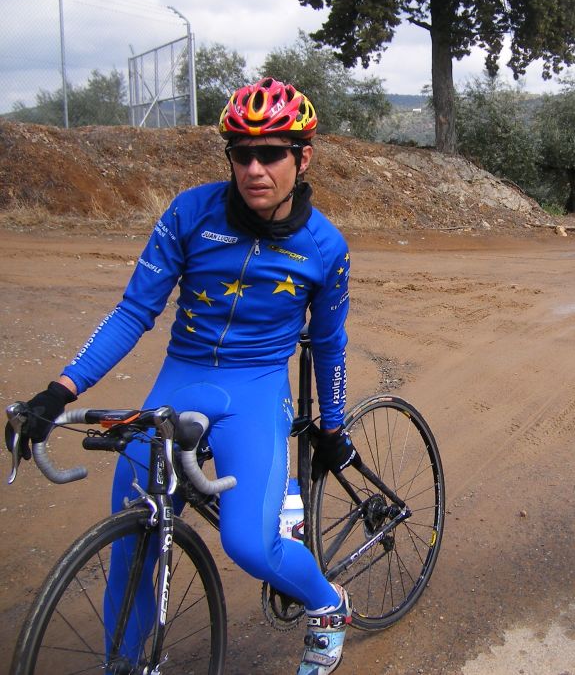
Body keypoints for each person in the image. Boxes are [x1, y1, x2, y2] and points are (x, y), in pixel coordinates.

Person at [5, 77, 356, 674]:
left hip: (256, 387)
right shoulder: (190, 213)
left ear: (303, 157)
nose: (254, 169)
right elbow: (133, 311)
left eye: (271, 153)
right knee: (133, 543)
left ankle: (328, 603)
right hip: (182, 376)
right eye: (241, 154)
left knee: (250, 545)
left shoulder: (325, 246)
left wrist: (333, 426)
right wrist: (59, 390)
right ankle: (122, 665)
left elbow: (327, 344)